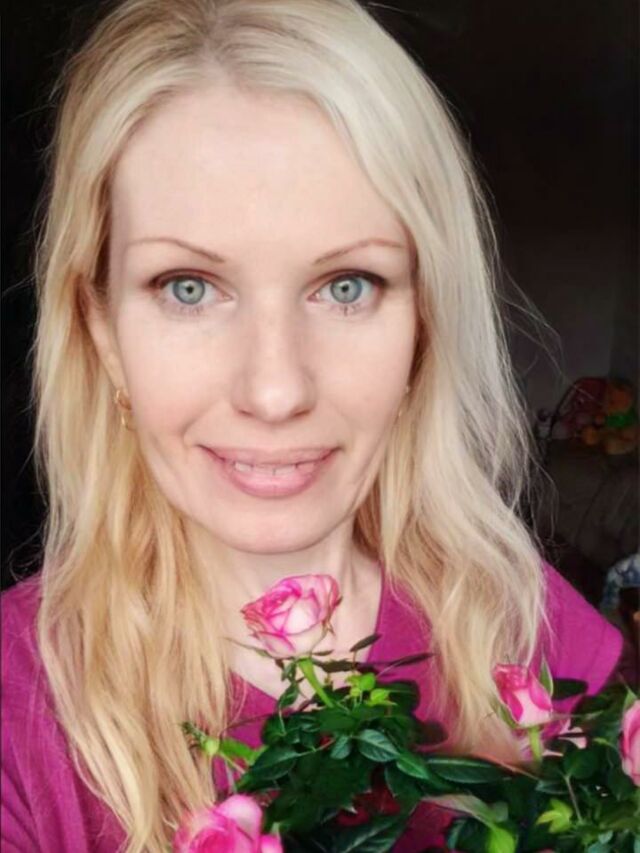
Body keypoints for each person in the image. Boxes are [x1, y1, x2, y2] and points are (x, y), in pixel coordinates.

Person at [1, 1, 623, 851]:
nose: (276, 390)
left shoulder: (524, 624)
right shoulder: (17, 716)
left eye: (347, 286)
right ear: (103, 333)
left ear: (423, 326)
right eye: (188, 287)